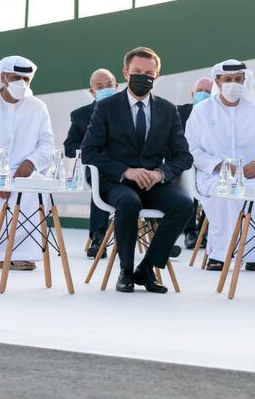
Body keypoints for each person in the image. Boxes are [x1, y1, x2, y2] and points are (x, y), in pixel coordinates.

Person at [82, 47, 194, 293]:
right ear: (125, 72)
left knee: (184, 204)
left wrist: (160, 173)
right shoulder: (106, 107)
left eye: (149, 73)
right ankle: (125, 271)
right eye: (137, 72)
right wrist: (126, 171)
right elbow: (89, 151)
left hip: (153, 183)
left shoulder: (168, 109)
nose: (143, 77)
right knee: (129, 202)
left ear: (157, 75)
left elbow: (184, 156)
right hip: (117, 183)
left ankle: (146, 268)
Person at [185, 59, 255, 273]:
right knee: (227, 193)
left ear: (244, 80)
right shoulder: (201, 111)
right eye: (228, 80)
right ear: (217, 81)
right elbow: (191, 150)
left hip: (253, 175)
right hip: (215, 175)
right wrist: (220, 165)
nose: (233, 84)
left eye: (238, 79)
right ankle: (220, 255)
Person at [0, 56, 54, 271]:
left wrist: (30, 162)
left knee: (33, 193)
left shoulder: (37, 107)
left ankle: (19, 254)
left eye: (26, 79)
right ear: (3, 77)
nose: (21, 83)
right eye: (16, 77)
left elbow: (47, 144)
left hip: (23, 174)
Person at [63, 68, 118, 258]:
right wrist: (90, 150)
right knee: (99, 178)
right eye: (99, 86)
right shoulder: (80, 116)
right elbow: (69, 147)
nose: (105, 89)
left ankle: (157, 240)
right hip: (97, 168)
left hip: (128, 166)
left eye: (109, 85)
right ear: (92, 91)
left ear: (117, 87)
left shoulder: (131, 111)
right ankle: (98, 238)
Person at [176, 77, 213, 252]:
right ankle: (190, 232)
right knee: (186, 182)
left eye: (208, 91)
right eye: (200, 91)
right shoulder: (179, 113)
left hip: (208, 165)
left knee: (215, 184)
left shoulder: (218, 115)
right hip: (184, 164)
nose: (203, 95)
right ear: (192, 94)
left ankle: (204, 231)